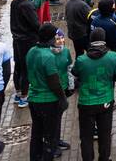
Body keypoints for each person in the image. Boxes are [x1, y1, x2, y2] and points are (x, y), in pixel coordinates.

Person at [72, 27, 116, 161]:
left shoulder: (82, 60)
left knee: (86, 137)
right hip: (105, 101)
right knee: (105, 135)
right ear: (104, 40)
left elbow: (74, 73)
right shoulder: (113, 56)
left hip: (86, 103)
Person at [25, 23, 73, 161]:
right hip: (48, 101)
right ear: (49, 39)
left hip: (33, 99)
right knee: (50, 139)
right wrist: (63, 99)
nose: (55, 39)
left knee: (37, 134)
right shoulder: (48, 56)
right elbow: (54, 82)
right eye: (54, 37)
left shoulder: (31, 51)